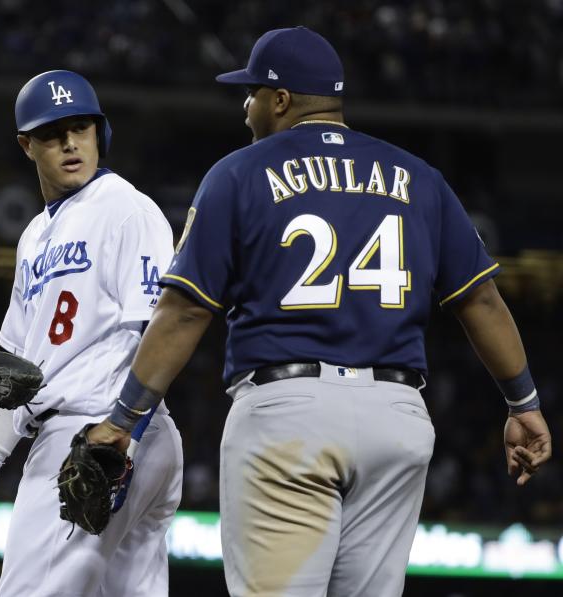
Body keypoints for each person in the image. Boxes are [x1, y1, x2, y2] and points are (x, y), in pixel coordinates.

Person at [83, 26, 552, 597]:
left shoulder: (238, 173)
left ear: (280, 100)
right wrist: (523, 403)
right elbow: (479, 298)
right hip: (397, 419)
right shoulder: (420, 179)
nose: (246, 109)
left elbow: (184, 312)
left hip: (289, 416)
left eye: (252, 93)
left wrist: (123, 420)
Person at [0, 70, 184, 597]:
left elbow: (158, 331)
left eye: (82, 127)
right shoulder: (35, 235)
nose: (71, 143)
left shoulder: (128, 209)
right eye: (54, 133)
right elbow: (21, 370)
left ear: (101, 132)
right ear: (26, 145)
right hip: (93, 432)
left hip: (99, 433)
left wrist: (124, 437)